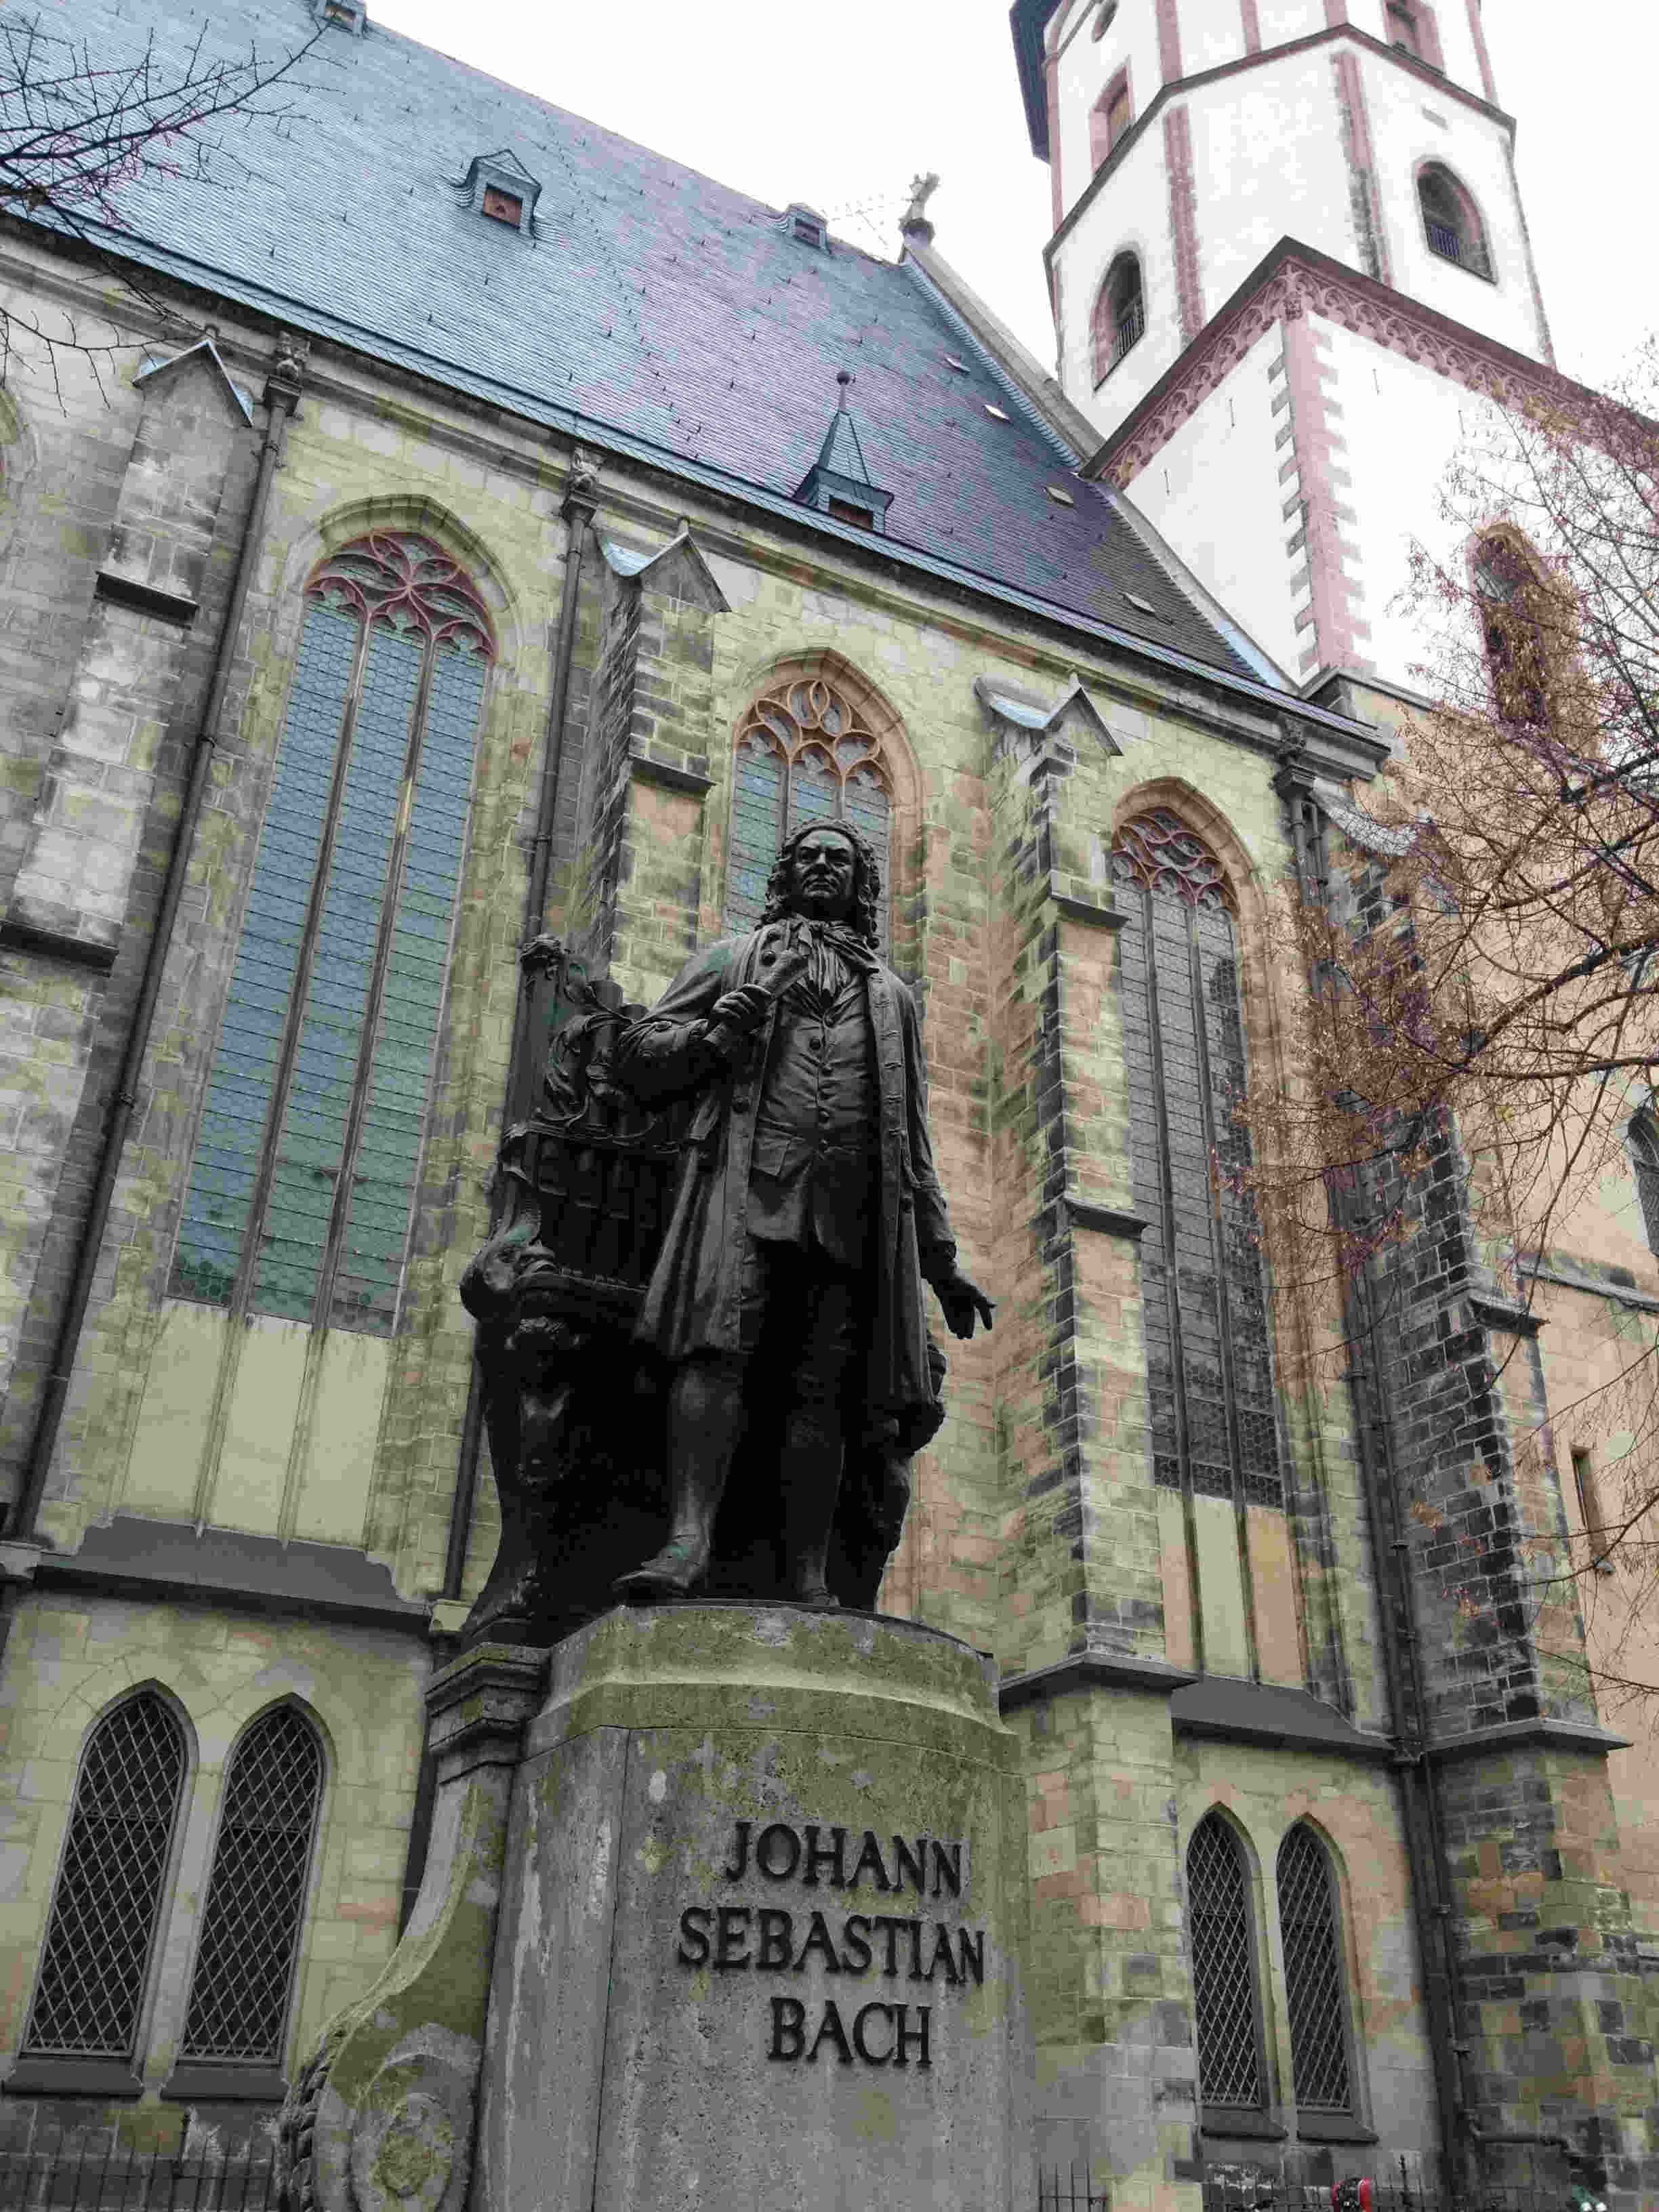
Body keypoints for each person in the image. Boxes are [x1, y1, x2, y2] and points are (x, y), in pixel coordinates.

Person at [611, 821, 992, 1606]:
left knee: (827, 1389)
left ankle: (810, 1574)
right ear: (786, 873)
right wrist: (732, 1020)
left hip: (850, 1212)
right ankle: (687, 1542)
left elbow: (913, 1141)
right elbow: (639, 1056)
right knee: (716, 1353)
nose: (825, 868)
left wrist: (942, 1262)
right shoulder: (732, 960)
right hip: (745, 1190)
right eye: (810, 857)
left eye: (841, 861)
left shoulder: (893, 999)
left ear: (861, 885)